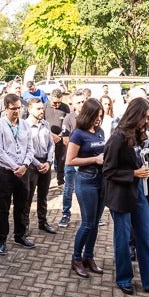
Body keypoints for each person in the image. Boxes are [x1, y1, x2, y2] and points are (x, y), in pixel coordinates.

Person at [103, 97, 149, 297]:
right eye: (145, 117)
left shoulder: (142, 136)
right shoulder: (117, 138)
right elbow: (108, 170)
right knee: (122, 240)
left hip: (142, 194)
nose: (147, 122)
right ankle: (124, 279)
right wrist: (132, 174)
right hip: (122, 196)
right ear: (135, 115)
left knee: (146, 237)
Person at [66, 98, 106, 278]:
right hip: (86, 180)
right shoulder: (78, 134)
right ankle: (76, 259)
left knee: (96, 223)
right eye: (96, 116)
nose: (98, 120)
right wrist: (95, 159)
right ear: (87, 115)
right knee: (87, 223)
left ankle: (88, 257)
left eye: (100, 116)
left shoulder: (100, 131)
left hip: (101, 180)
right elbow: (70, 161)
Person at [0, 93, 35, 254]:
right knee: (4, 207)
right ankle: (2, 239)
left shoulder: (25, 125)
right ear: (5, 108)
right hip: (5, 172)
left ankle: (20, 235)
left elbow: (30, 148)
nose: (17, 111)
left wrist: (24, 165)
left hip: (23, 172)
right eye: (13, 109)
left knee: (21, 205)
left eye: (19, 108)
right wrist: (15, 166)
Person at [24, 98, 57, 235]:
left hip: (46, 163)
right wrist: (38, 164)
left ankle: (42, 222)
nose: (41, 111)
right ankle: (24, 226)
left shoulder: (46, 124)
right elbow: (25, 149)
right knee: (28, 197)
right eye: (38, 109)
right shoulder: (24, 126)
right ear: (30, 109)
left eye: (42, 108)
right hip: (31, 165)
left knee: (43, 196)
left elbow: (51, 144)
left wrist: (49, 162)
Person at [58, 90, 86, 227]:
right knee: (68, 188)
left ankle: (90, 215)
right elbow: (65, 140)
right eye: (78, 102)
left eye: (83, 101)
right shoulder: (69, 118)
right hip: (71, 160)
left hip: (87, 161)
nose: (81, 104)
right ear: (73, 104)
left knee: (87, 189)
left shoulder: (91, 117)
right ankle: (65, 214)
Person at [44, 89, 69, 186]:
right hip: (47, 137)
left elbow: (67, 123)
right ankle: (44, 181)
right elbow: (41, 122)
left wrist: (61, 136)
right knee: (46, 159)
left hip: (60, 138)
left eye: (59, 102)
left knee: (61, 160)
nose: (57, 105)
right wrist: (51, 134)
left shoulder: (65, 107)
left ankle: (60, 181)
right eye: (55, 103)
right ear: (50, 99)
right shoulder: (44, 106)